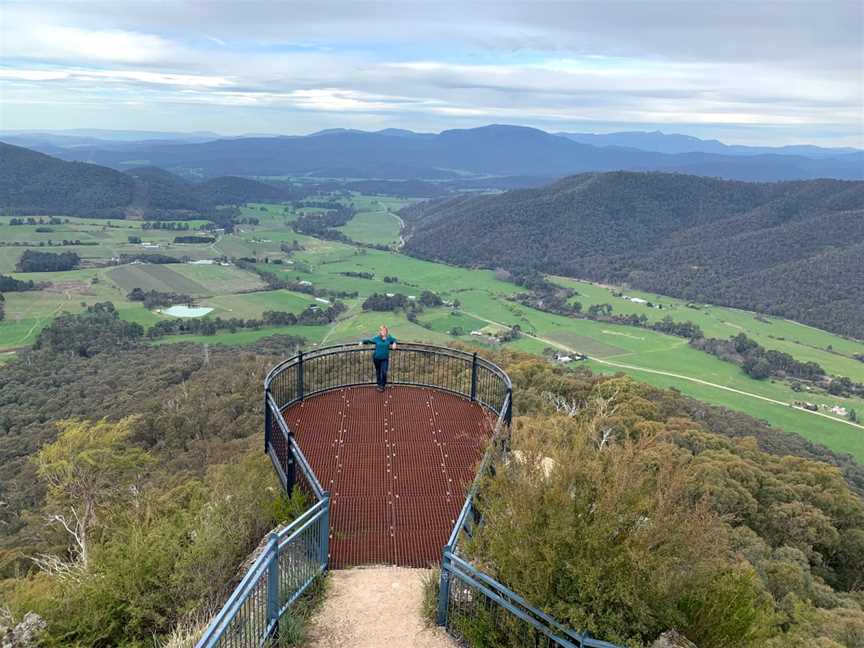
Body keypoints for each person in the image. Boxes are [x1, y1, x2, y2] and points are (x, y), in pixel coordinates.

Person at [361, 325, 397, 391]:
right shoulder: (377, 338)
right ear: (380, 332)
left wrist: (394, 343)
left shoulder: (389, 338)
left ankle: (383, 385)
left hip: (384, 358)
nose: (383, 332)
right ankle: (379, 384)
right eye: (381, 330)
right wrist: (362, 342)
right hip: (376, 358)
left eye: (384, 330)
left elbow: (394, 339)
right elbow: (369, 341)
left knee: (384, 372)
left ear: (386, 331)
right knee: (378, 371)